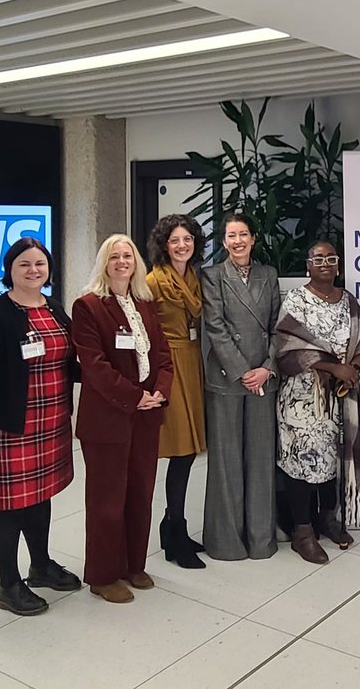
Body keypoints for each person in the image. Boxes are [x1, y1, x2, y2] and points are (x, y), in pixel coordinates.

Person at [0, 237, 82, 617]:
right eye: (24, 264)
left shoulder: (55, 308)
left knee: (40, 496)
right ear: (9, 270)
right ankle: (8, 585)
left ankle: (41, 566)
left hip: (52, 422)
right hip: (11, 427)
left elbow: (70, 362)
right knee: (8, 506)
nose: (34, 270)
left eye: (40, 264)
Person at [72, 234, 173, 603]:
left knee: (140, 493)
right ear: (104, 263)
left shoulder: (145, 303)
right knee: (107, 499)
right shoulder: (88, 306)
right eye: (114, 257)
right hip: (108, 417)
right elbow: (94, 366)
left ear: (136, 263)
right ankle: (102, 575)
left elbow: (163, 355)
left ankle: (133, 564)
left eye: (127, 256)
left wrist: (159, 392)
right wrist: (135, 397)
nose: (121, 262)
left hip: (146, 416)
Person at [274, 241, 360, 564]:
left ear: (338, 265)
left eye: (331, 258)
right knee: (301, 462)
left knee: (333, 458)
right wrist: (334, 368)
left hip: (339, 397)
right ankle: (302, 532)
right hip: (302, 398)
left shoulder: (348, 300)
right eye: (318, 259)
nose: (325, 263)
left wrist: (353, 367)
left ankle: (328, 519)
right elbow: (287, 346)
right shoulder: (296, 299)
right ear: (308, 265)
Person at [201, 212, 282, 561]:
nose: (238, 241)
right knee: (226, 460)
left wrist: (267, 368)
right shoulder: (212, 276)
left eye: (243, 234)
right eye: (231, 236)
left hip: (264, 378)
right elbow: (215, 328)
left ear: (253, 239)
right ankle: (226, 542)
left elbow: (279, 326)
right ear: (223, 242)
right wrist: (243, 371)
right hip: (227, 377)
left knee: (261, 459)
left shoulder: (269, 274)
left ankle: (262, 539)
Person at [146, 214, 208, 570]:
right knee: (180, 451)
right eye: (175, 240)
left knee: (190, 450)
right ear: (164, 245)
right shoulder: (153, 281)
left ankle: (173, 528)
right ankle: (174, 529)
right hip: (168, 366)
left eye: (187, 239)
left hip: (193, 361)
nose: (182, 245)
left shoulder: (195, 278)